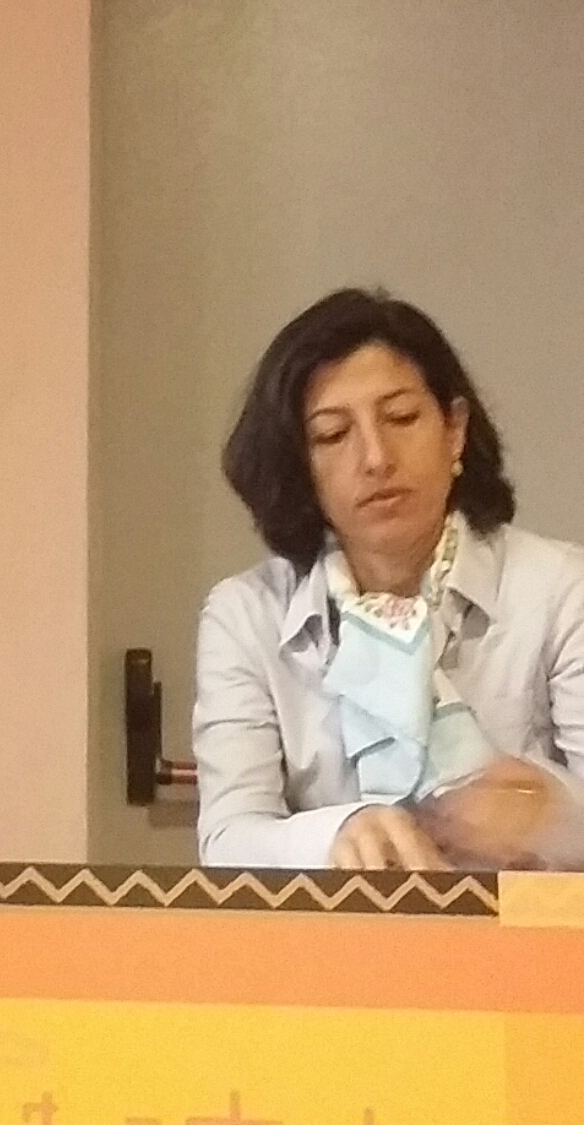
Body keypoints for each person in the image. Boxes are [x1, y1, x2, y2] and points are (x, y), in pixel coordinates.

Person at [196, 288, 584, 871]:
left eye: (401, 418)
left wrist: (548, 814)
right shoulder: (247, 615)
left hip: (526, 929)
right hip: (332, 931)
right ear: (299, 467)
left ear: (454, 430)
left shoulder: (562, 589)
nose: (376, 458)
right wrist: (335, 835)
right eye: (333, 434)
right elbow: (227, 840)